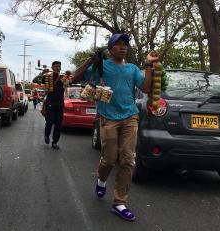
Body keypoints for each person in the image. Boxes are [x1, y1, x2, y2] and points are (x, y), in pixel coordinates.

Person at [71, 33, 158, 221]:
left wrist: (149, 65)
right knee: (109, 159)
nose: (123, 47)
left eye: (125, 44)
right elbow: (74, 78)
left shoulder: (132, 68)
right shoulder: (101, 66)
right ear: (110, 49)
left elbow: (145, 88)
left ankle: (119, 202)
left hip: (130, 116)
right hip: (108, 117)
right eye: (118, 44)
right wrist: (90, 60)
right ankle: (101, 180)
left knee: (128, 160)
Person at [44, 61, 65, 150]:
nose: (58, 68)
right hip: (50, 103)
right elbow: (40, 81)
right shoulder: (48, 76)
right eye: (56, 66)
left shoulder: (64, 78)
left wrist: (67, 79)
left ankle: (55, 142)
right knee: (50, 121)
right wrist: (44, 72)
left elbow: (69, 83)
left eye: (59, 66)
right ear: (52, 67)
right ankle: (46, 135)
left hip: (60, 104)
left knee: (58, 124)